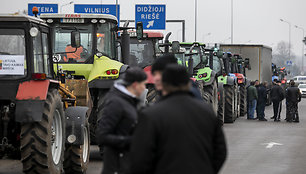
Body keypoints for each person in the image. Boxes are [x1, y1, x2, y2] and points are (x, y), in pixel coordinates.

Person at [129, 64, 227, 174]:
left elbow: (139, 158)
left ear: (163, 85)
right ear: (188, 83)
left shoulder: (150, 115)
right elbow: (220, 151)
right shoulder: (207, 112)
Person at [96, 67, 147, 174]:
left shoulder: (130, 101)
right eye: (143, 84)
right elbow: (102, 136)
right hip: (116, 166)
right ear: (135, 85)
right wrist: (130, 141)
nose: (144, 88)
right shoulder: (116, 103)